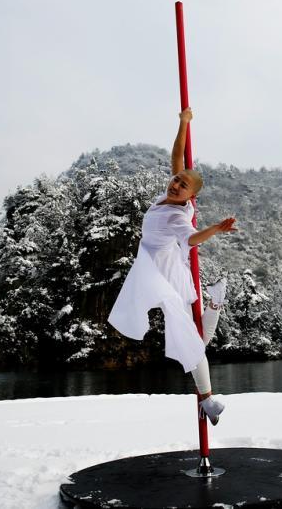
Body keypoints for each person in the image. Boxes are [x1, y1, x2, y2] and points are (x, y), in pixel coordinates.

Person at [107, 107, 236, 425]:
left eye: (182, 185)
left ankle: (206, 398)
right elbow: (177, 157)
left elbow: (191, 239)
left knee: (188, 339)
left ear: (190, 196)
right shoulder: (173, 194)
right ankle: (215, 305)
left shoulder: (179, 214)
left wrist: (216, 230)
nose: (175, 184)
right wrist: (183, 123)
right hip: (152, 265)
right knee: (190, 340)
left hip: (164, 274)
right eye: (176, 180)